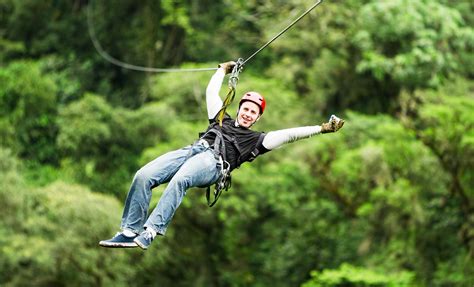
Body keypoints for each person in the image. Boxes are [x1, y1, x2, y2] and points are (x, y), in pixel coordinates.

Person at [99, 61, 344, 250]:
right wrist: (222, 70)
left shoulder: (257, 140)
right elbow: (211, 93)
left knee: (180, 179)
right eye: (246, 109)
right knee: (144, 175)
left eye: (253, 113)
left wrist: (322, 128)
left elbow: (291, 134)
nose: (248, 114)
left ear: (258, 118)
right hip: (193, 150)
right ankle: (130, 231)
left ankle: (151, 231)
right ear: (240, 109)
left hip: (214, 163)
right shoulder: (220, 118)